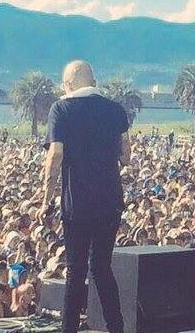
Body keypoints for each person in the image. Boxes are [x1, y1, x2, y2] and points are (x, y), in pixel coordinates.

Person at [41, 60, 131, 333]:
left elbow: (55, 154)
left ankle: (69, 329)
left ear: (67, 84)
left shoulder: (61, 109)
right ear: (93, 81)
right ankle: (116, 328)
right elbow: (126, 156)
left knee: (76, 270)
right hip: (110, 201)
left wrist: (46, 199)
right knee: (102, 267)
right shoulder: (115, 110)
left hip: (77, 202)